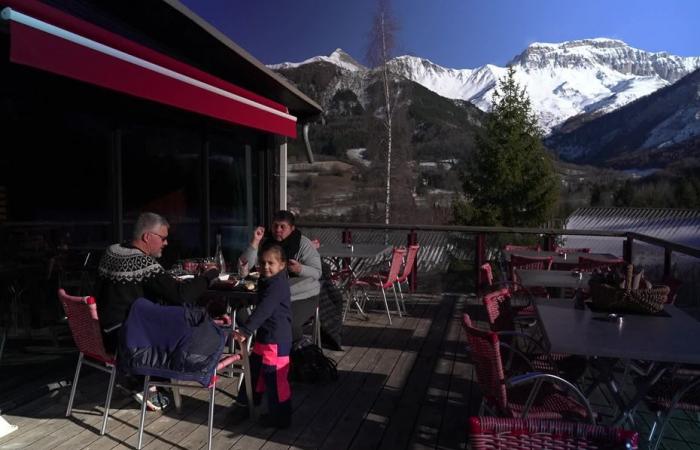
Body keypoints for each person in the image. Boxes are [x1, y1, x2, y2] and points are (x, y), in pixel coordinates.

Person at [95, 212, 219, 410]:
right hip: (127, 339)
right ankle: (147, 384)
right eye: (163, 238)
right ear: (147, 237)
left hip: (102, 332)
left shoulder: (112, 251)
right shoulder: (143, 263)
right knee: (183, 325)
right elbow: (182, 295)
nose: (166, 243)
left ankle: (140, 380)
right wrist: (209, 275)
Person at [233, 242, 292, 428]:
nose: (265, 267)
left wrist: (245, 330)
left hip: (276, 339)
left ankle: (280, 417)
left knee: (274, 380)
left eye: (270, 263)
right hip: (265, 337)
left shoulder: (277, 285)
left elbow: (264, 310)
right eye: (262, 263)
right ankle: (246, 404)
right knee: (255, 371)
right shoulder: (268, 281)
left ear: (282, 265)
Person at [240, 210, 321, 344]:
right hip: (266, 293)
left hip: (300, 296)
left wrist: (300, 269)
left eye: (283, 227)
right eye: (275, 226)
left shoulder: (303, 244)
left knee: (286, 324)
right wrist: (255, 242)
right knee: (242, 314)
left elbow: (317, 272)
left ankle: (291, 355)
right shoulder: (265, 242)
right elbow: (244, 268)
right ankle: (262, 349)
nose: (278, 230)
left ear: (292, 228)